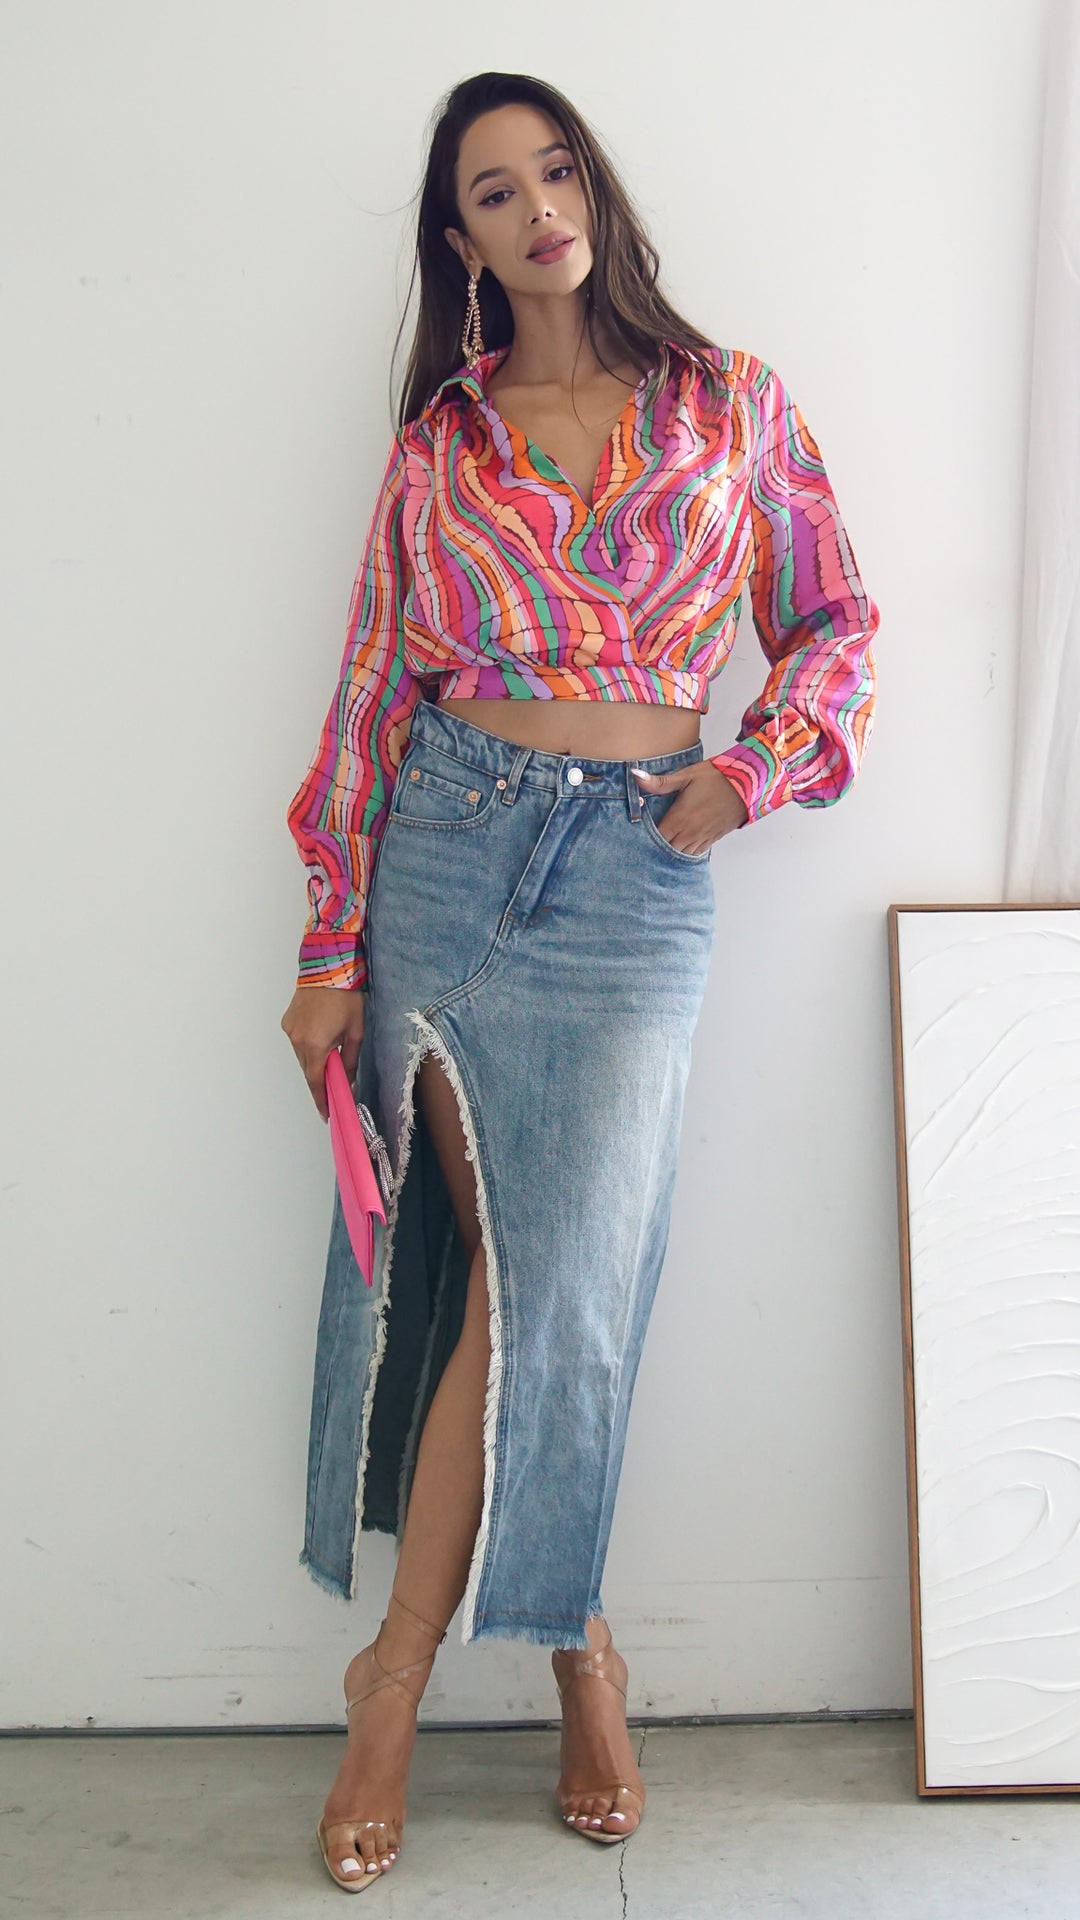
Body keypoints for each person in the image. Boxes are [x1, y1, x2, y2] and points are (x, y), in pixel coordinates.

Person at [280, 69, 880, 1893]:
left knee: (569, 1288)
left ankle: (418, 1673)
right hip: (449, 855)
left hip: (636, 878)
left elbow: (837, 621)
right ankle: (560, 1657)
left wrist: (752, 772)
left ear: (595, 192)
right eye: (494, 191)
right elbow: (372, 687)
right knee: (518, 1287)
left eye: (555, 172)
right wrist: (325, 941)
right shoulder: (439, 448)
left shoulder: (732, 403)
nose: (538, 207)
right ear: (458, 242)